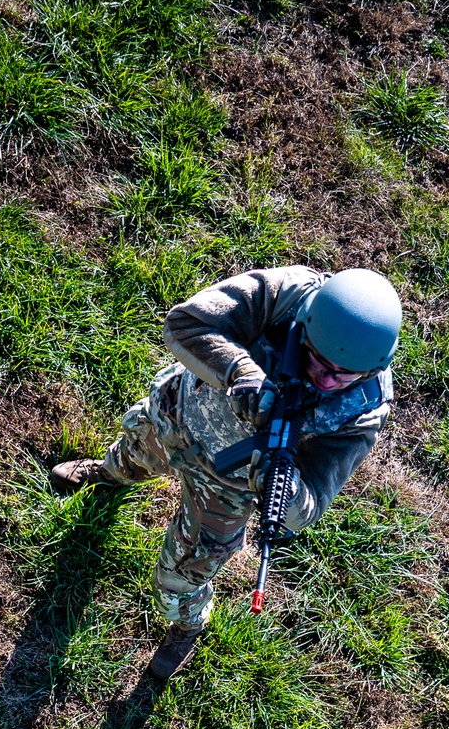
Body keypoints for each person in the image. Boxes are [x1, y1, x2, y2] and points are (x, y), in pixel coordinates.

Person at [51, 265, 402, 679]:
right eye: (316, 358)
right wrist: (242, 372)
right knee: (132, 455)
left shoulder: (362, 411)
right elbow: (186, 322)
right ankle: (110, 474)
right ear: (306, 325)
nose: (324, 379)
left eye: (342, 375)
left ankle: (187, 624)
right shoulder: (286, 294)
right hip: (177, 417)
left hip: (227, 489)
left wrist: (280, 482)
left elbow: (312, 502)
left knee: (179, 578)